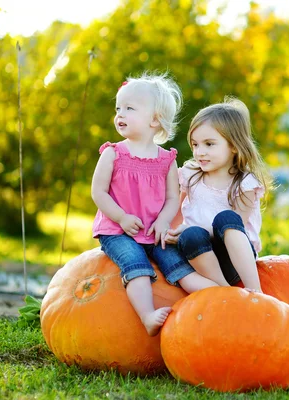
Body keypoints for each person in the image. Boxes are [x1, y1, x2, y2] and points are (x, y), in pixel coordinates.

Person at [91, 72, 218, 336]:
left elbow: (173, 197)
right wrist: (122, 217)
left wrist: (163, 220)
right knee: (136, 263)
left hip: (153, 231)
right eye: (118, 108)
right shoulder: (114, 153)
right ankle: (147, 315)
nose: (120, 114)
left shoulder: (166, 159)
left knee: (177, 263)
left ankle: (220, 296)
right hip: (117, 231)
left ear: (155, 119)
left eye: (129, 108)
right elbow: (98, 192)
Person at [165, 97, 272, 293]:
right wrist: (169, 233)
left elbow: (235, 226)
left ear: (233, 145)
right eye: (195, 144)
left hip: (234, 260)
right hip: (199, 259)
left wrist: (195, 226)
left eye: (209, 144)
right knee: (190, 234)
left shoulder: (244, 182)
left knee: (226, 218)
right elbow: (177, 212)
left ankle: (255, 291)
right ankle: (225, 292)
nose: (200, 152)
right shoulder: (191, 175)